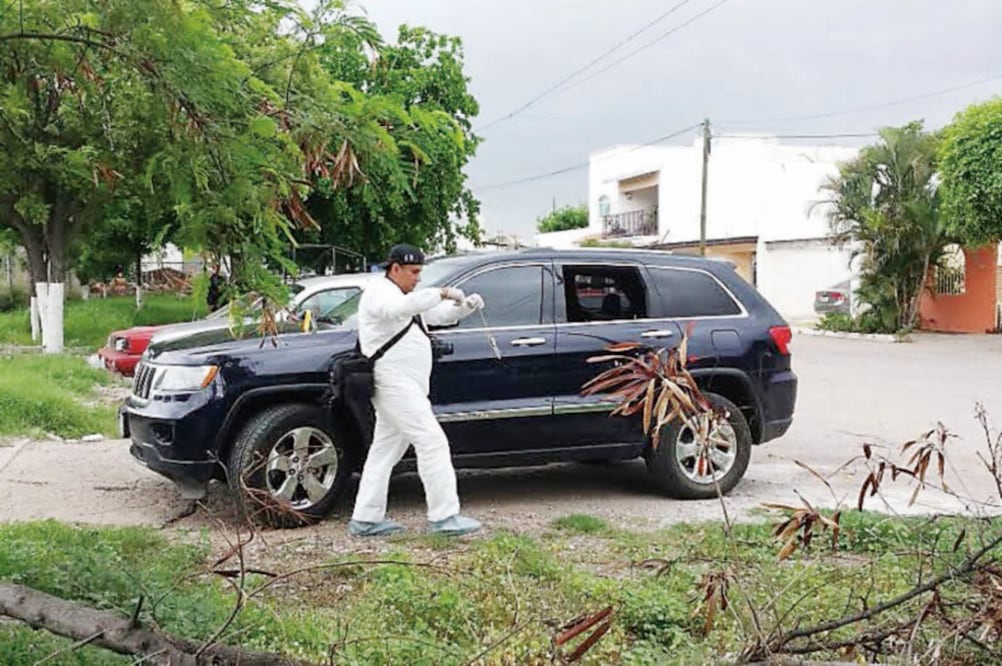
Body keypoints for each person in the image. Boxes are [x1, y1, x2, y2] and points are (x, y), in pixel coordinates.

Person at [348, 244, 485, 537]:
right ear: (394, 269)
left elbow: (438, 316)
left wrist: (465, 307)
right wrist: (441, 292)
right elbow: (399, 310)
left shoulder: (405, 295)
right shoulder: (380, 292)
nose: (417, 279)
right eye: (413, 272)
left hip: (407, 384)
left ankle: (365, 519)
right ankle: (444, 516)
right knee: (432, 441)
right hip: (393, 382)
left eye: (420, 273)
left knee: (383, 453)